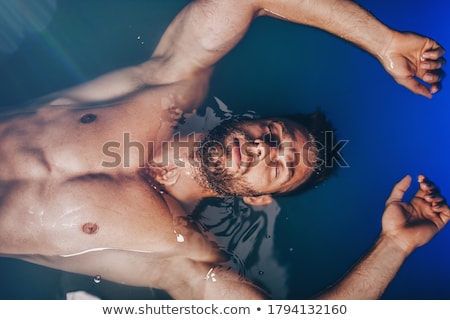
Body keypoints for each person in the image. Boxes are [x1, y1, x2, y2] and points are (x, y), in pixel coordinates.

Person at [0, 0, 447, 299]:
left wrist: (394, 246)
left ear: (256, 198)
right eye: (273, 135)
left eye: (280, 167)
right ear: (248, 119)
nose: (263, 151)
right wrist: (383, 41)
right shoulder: (166, 85)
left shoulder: (180, 256)